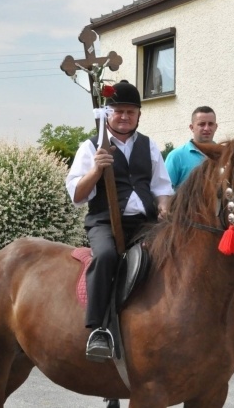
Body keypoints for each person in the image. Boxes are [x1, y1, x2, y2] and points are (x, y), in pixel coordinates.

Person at [66, 80, 173, 360]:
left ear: (139, 115)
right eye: (118, 111)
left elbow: (162, 188)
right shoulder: (90, 147)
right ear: (107, 114)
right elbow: (77, 194)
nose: (125, 116)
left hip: (145, 223)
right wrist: (96, 171)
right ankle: (98, 328)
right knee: (105, 257)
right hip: (104, 222)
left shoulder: (149, 146)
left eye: (131, 111)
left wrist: (164, 207)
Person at [164, 106, 218, 190]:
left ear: (216, 127)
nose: (207, 128)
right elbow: (164, 191)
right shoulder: (176, 156)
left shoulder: (225, 155)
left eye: (210, 124)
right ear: (192, 127)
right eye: (202, 124)